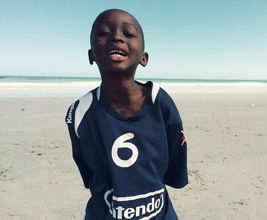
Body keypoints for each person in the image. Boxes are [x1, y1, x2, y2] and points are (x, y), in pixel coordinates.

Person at [65, 9, 188, 220]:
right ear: (91, 55)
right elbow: (88, 172)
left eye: (129, 34)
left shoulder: (160, 102)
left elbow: (176, 158)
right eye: (103, 33)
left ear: (143, 57)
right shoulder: (80, 113)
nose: (116, 37)